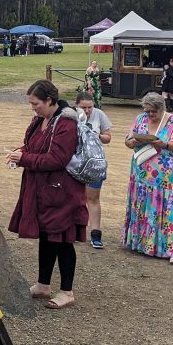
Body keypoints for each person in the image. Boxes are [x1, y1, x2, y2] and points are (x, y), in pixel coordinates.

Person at [6, 80, 87, 310]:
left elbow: (58, 159)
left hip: (62, 192)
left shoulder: (66, 124)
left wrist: (25, 159)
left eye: (36, 103)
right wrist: (19, 153)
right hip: (42, 189)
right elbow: (33, 148)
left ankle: (67, 291)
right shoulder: (40, 120)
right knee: (46, 236)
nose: (33, 108)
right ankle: (43, 285)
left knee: (62, 239)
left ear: (50, 100)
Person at [122, 92, 173, 266]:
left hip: (166, 179)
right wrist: (134, 142)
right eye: (147, 111)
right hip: (142, 175)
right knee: (143, 206)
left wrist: (165, 144)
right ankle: (142, 244)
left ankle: (172, 249)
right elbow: (128, 141)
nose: (150, 115)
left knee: (168, 211)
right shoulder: (140, 119)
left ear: (162, 108)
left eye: (153, 111)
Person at [75, 91, 113, 249]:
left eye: (90, 107)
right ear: (77, 105)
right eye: (84, 107)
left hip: (94, 163)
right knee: (75, 197)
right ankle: (76, 229)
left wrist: (97, 136)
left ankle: (96, 233)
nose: (88, 110)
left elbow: (108, 137)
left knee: (93, 198)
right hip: (76, 162)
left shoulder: (99, 114)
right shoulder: (71, 115)